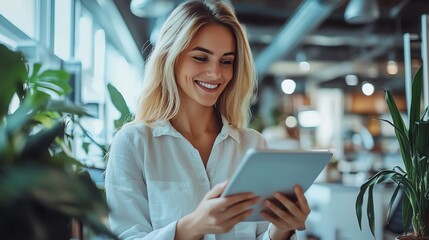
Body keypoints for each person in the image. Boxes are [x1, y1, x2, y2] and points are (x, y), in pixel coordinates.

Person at [105, 1, 310, 239]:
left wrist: (282, 228)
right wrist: (194, 225)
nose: (215, 73)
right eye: (201, 58)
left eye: (226, 61)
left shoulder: (252, 146)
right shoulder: (133, 144)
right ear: (171, 58)